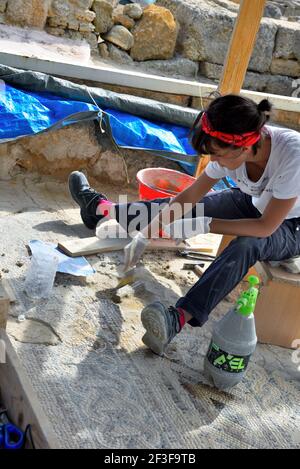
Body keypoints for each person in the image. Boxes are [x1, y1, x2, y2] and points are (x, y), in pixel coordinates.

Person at [68, 94, 300, 356]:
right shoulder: (232, 144)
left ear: (245, 148)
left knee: (247, 245)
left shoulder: (292, 154)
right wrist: (146, 234)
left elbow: (266, 227)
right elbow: (189, 196)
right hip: (252, 201)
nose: (216, 162)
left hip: (290, 226)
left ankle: (177, 317)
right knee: (187, 208)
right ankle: (100, 211)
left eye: (219, 156)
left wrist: (207, 225)